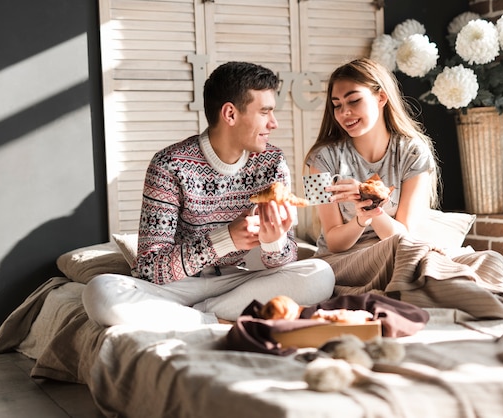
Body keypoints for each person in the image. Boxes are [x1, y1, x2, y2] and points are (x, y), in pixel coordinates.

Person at [83, 61, 335, 328]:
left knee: (320, 275)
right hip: (179, 284)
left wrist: (274, 243)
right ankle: (218, 317)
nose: (274, 123)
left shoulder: (271, 161)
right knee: (100, 292)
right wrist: (225, 239)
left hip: (239, 282)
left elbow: (284, 262)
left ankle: (200, 316)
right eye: (265, 112)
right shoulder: (169, 164)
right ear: (230, 114)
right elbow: (149, 269)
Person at [304, 58, 503, 318]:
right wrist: (361, 219)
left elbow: (404, 231)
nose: (344, 113)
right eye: (337, 105)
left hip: (400, 247)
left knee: (489, 260)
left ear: (381, 97)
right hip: (344, 261)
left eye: (353, 101)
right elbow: (334, 242)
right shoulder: (319, 160)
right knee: (410, 253)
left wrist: (373, 210)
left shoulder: (414, 151)